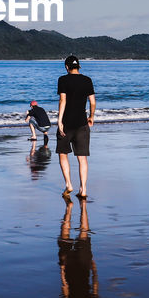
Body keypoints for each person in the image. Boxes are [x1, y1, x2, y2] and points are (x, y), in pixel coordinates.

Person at [56, 54, 95, 200]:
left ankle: (68, 184)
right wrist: (91, 116)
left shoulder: (63, 80)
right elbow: (92, 101)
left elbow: (62, 101)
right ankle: (83, 189)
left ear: (67, 67)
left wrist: (59, 121)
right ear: (78, 66)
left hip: (67, 123)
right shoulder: (87, 80)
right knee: (82, 158)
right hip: (82, 124)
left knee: (63, 154)